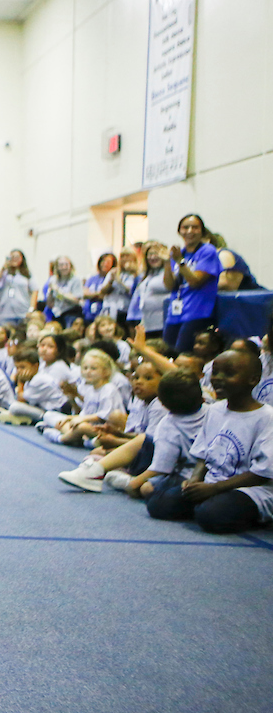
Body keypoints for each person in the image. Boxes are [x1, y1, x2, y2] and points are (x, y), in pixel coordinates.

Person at [146, 350, 273, 533]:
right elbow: (202, 454)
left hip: (250, 490)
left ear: (253, 379)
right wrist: (194, 480)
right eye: (215, 373)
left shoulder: (266, 418)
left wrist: (214, 488)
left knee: (211, 515)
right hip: (212, 484)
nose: (218, 379)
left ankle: (242, 514)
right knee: (158, 503)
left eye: (229, 374)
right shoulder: (214, 411)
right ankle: (207, 506)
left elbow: (261, 473)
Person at [59, 369, 203, 493]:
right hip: (158, 458)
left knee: (147, 491)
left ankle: (103, 472)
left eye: (147, 378)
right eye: (135, 377)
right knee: (98, 452)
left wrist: (116, 441)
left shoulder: (164, 413)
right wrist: (118, 434)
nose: (138, 382)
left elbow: (156, 455)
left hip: (175, 468)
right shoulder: (140, 401)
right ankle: (107, 469)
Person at [163, 214, 222, 354]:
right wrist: (167, 262)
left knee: (181, 353)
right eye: (185, 227)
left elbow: (195, 281)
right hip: (175, 312)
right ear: (179, 231)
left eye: (195, 227)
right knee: (166, 353)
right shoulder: (179, 253)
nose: (190, 231)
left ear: (201, 231)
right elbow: (169, 285)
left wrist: (180, 262)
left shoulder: (207, 251)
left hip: (197, 312)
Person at [128, 241, 171, 336]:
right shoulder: (147, 275)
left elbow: (170, 286)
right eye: (150, 254)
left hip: (163, 323)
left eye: (156, 254)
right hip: (147, 323)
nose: (153, 257)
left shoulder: (169, 272)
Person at [0, 250, 37, 327]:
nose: (14, 259)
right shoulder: (4, 274)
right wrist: (3, 268)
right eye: (12, 257)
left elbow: (35, 290)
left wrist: (31, 309)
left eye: (17, 257)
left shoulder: (27, 274)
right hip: (6, 314)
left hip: (22, 312)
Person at [102, 248, 139, 325]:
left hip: (125, 310)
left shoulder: (136, 274)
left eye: (127, 256)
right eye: (122, 256)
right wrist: (111, 281)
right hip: (110, 308)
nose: (125, 259)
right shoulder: (113, 271)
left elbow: (131, 291)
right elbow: (102, 291)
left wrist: (118, 281)